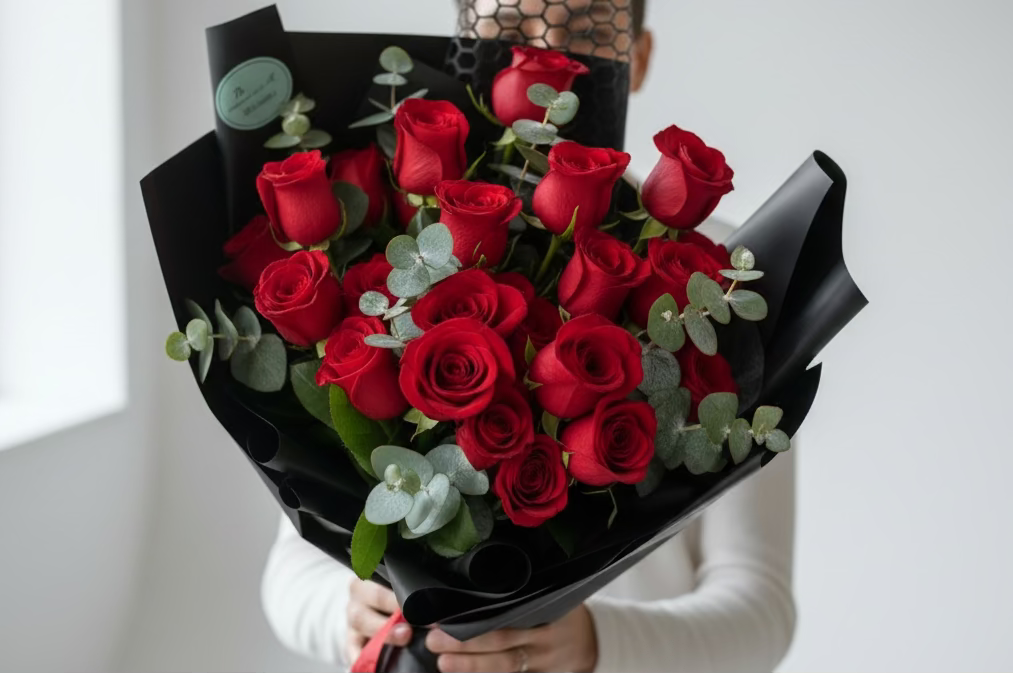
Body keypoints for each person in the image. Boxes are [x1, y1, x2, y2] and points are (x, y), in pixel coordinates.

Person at [261, 1, 797, 671]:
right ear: (465, 37)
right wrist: (341, 612)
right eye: (511, 27)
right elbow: (287, 573)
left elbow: (762, 608)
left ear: (640, 53)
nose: (543, 55)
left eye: (580, 28)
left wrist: (596, 645)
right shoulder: (398, 245)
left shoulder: (718, 287)